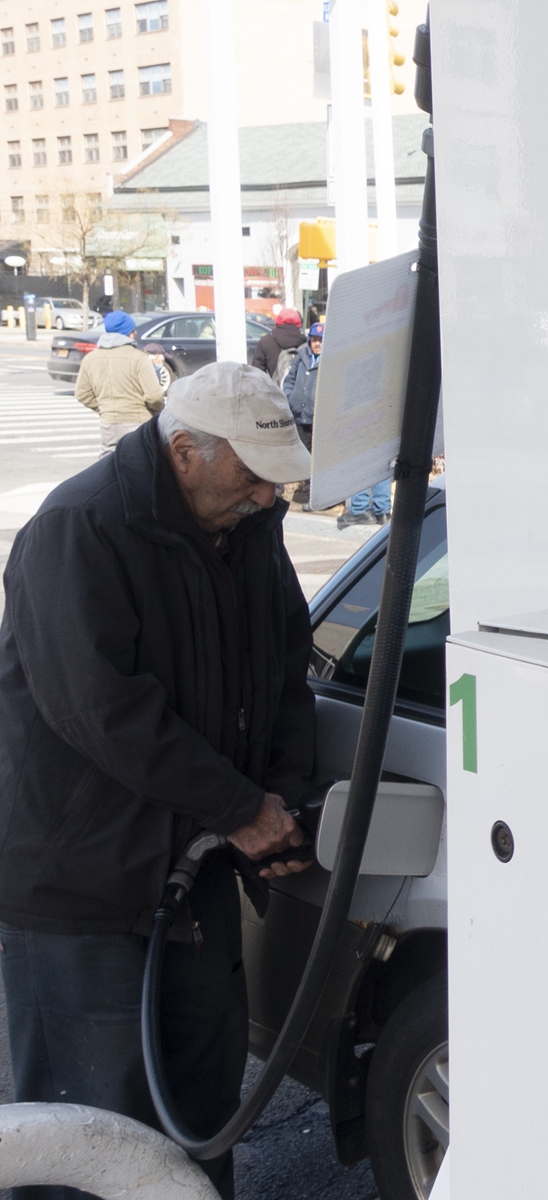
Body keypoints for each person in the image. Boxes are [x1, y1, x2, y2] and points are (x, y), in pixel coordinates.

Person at [0, 362, 317, 1200]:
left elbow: (284, 672)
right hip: (84, 887)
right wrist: (241, 806)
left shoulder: (249, 527)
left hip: (194, 872)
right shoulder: (80, 526)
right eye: (249, 474)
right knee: (87, 1132)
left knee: (194, 1120)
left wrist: (278, 805)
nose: (265, 495)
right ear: (183, 451)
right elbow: (100, 709)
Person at [72, 309, 164, 458]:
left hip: (108, 423)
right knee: (140, 466)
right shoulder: (139, 358)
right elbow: (154, 396)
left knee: (108, 469)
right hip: (138, 422)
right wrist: (158, 411)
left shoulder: (91, 359)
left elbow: (82, 393)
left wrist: (103, 408)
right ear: (130, 333)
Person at [281, 322, 322, 508]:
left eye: (321, 340)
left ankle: (315, 497)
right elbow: (289, 379)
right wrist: (291, 398)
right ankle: (306, 491)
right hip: (300, 415)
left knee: (318, 458)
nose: (317, 344)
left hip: (318, 418)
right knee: (304, 455)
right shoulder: (301, 356)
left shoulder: (329, 359)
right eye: (314, 339)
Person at [248, 307, 307, 380]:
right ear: (298, 322)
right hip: (299, 389)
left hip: (276, 389)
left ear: (278, 321)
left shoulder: (266, 341)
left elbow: (256, 372)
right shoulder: (305, 342)